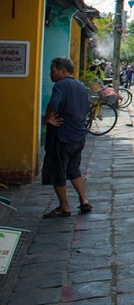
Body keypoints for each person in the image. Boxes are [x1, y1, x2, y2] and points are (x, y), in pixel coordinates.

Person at [41, 57, 92, 217]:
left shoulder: (61, 85)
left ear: (63, 71)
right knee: (74, 169)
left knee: (58, 171)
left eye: (53, 71)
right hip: (78, 136)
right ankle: (84, 200)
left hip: (62, 137)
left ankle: (64, 206)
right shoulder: (81, 87)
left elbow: (54, 104)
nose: (51, 75)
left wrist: (48, 118)